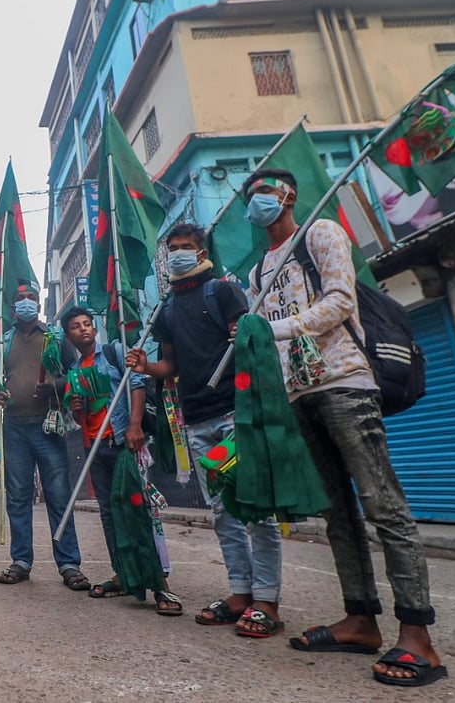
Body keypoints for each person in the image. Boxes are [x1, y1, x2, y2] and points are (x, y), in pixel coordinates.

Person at [243, 169, 444, 686]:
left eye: (265, 192)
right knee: (336, 513)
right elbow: (264, 341)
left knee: (383, 504)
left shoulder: (321, 233)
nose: (257, 202)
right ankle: (360, 618)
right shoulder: (259, 271)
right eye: (251, 196)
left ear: (289, 195)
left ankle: (418, 633)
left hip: (344, 382)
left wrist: (275, 327)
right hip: (297, 396)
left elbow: (340, 301)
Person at [127, 223, 284, 637]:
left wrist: (243, 330)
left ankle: (266, 600)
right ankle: (239, 593)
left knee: (254, 507)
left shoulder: (224, 292)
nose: (180, 253)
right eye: (173, 248)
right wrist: (145, 367)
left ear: (201, 253)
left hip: (235, 416)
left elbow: (251, 339)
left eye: (187, 247)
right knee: (223, 511)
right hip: (197, 422)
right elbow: (170, 367)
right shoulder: (166, 310)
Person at [62, 307, 182, 616]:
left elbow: (137, 385)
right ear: (69, 335)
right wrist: (77, 407)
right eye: (76, 326)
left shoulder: (115, 354)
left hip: (121, 442)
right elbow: (80, 417)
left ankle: (160, 584)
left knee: (138, 510)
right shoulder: (75, 370)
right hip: (94, 448)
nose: (84, 330)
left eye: (88, 324)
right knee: (109, 514)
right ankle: (123, 574)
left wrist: (134, 425)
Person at [0, 283, 88, 591]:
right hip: (15, 427)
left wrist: (56, 387)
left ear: (39, 306)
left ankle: (69, 563)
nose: (26, 302)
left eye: (31, 298)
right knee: (17, 496)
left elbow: (76, 373)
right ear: (13, 307)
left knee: (58, 495)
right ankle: (21, 561)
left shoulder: (56, 338)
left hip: (49, 426)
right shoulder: (1, 342)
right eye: (20, 299)